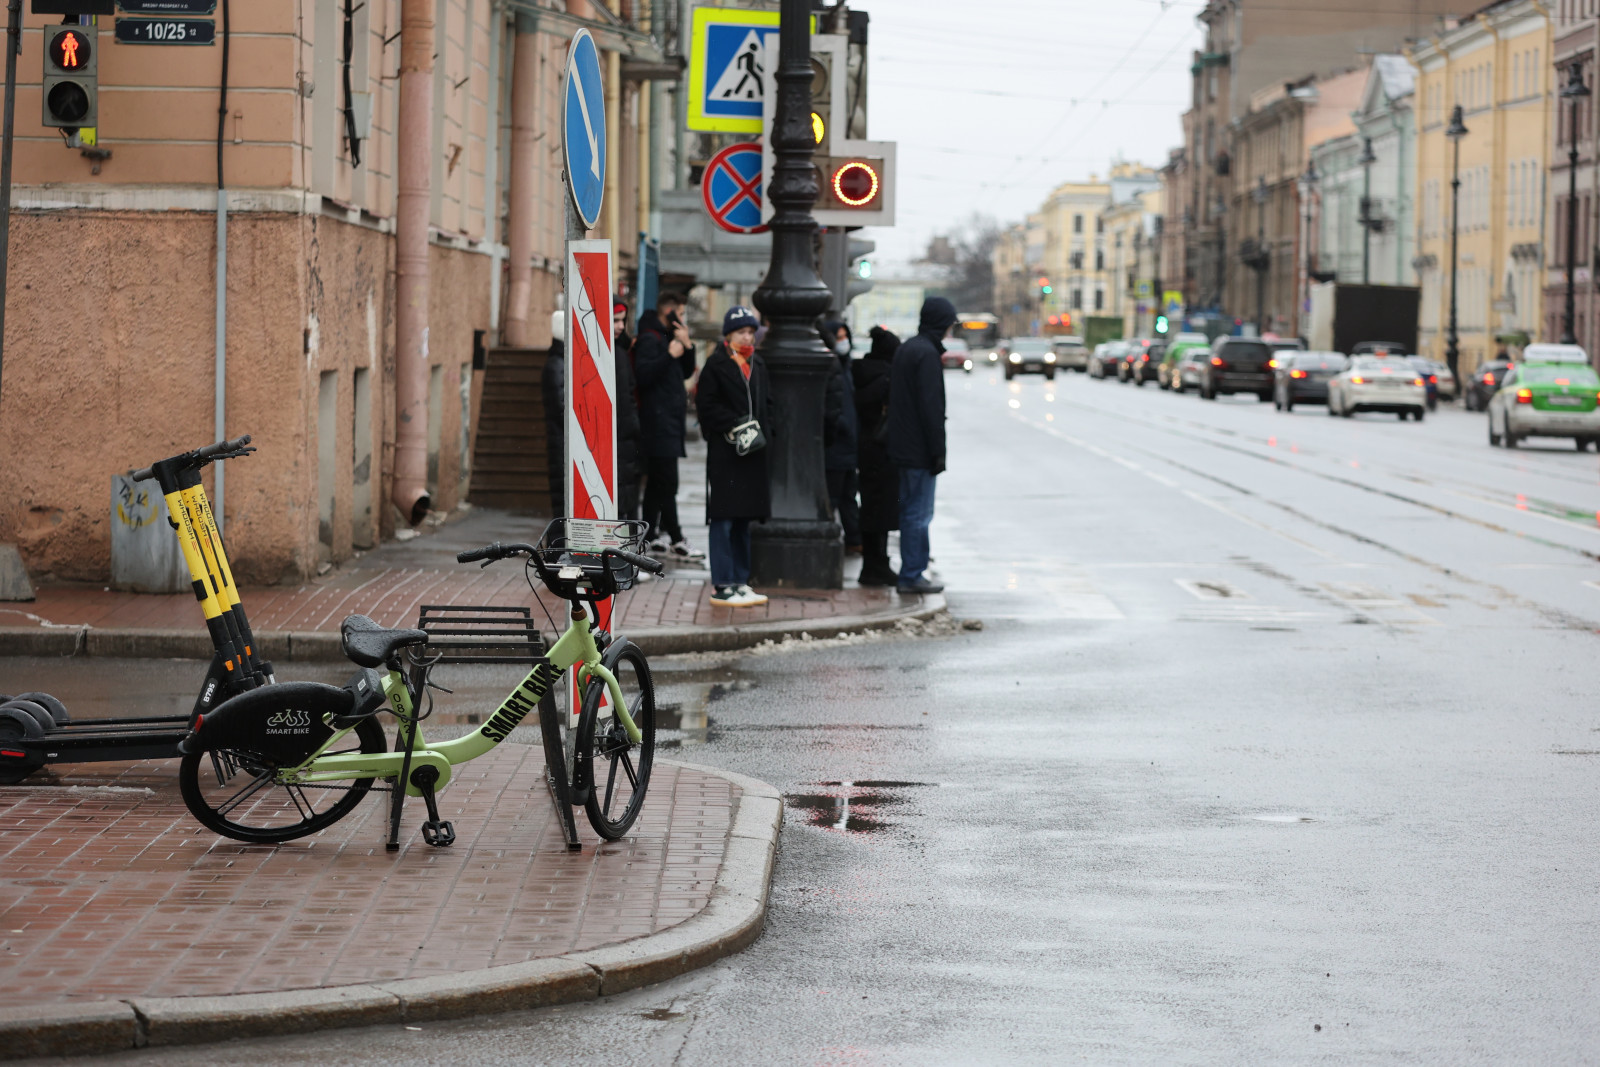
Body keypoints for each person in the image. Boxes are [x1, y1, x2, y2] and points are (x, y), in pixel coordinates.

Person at [695, 306, 771, 608]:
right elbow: (706, 405)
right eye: (742, 332)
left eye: (751, 332)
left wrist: (767, 430)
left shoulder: (759, 364)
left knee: (743, 519)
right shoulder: (716, 364)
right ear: (729, 334)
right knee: (724, 518)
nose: (747, 337)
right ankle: (723, 583)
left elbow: (769, 403)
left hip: (753, 453)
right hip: (727, 453)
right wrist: (735, 424)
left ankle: (740, 580)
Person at [887, 297, 954, 595]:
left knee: (909, 511)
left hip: (903, 445)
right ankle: (912, 573)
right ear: (941, 323)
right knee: (919, 513)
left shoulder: (908, 348)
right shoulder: (926, 354)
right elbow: (931, 408)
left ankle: (912, 569)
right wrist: (938, 451)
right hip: (918, 449)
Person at [633, 292, 703, 559]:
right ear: (670, 313)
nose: (683, 319)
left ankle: (650, 535)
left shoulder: (667, 338)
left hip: (669, 420)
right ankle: (675, 536)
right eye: (681, 314)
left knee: (656, 482)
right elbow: (645, 375)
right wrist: (669, 353)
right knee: (667, 481)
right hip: (657, 421)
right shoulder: (651, 339)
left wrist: (686, 345)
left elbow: (685, 372)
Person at [853, 326, 900, 586]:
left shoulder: (861, 373)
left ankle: (873, 563)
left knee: (870, 507)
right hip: (882, 450)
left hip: (865, 448)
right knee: (881, 510)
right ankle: (877, 565)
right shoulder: (887, 378)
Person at [819, 320, 861, 554]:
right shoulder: (834, 367)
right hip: (836, 446)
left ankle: (853, 540)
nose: (843, 341)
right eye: (839, 336)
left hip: (847, 447)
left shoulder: (846, 367)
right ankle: (833, 541)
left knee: (847, 497)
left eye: (846, 336)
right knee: (835, 498)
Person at [612, 301, 642, 525]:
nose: (621, 326)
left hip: (624, 436)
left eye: (623, 320)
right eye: (615, 320)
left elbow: (629, 394)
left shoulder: (621, 353)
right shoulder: (613, 353)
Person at [540, 310, 566, 518]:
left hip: (561, 440)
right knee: (561, 500)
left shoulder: (559, 362)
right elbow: (560, 407)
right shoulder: (557, 365)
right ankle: (558, 547)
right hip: (561, 440)